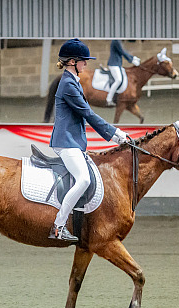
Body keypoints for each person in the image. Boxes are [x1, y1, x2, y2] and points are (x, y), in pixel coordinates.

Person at [48, 38, 128, 242]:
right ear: (73, 61)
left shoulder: (72, 81)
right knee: (84, 179)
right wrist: (115, 134)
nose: (86, 64)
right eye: (83, 60)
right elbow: (88, 113)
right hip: (65, 142)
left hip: (72, 140)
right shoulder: (67, 84)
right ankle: (58, 226)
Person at [106, 40, 141, 107]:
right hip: (114, 64)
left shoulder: (119, 41)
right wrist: (131, 60)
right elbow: (122, 51)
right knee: (118, 80)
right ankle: (109, 99)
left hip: (117, 64)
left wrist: (132, 57)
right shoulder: (116, 41)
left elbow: (124, 51)